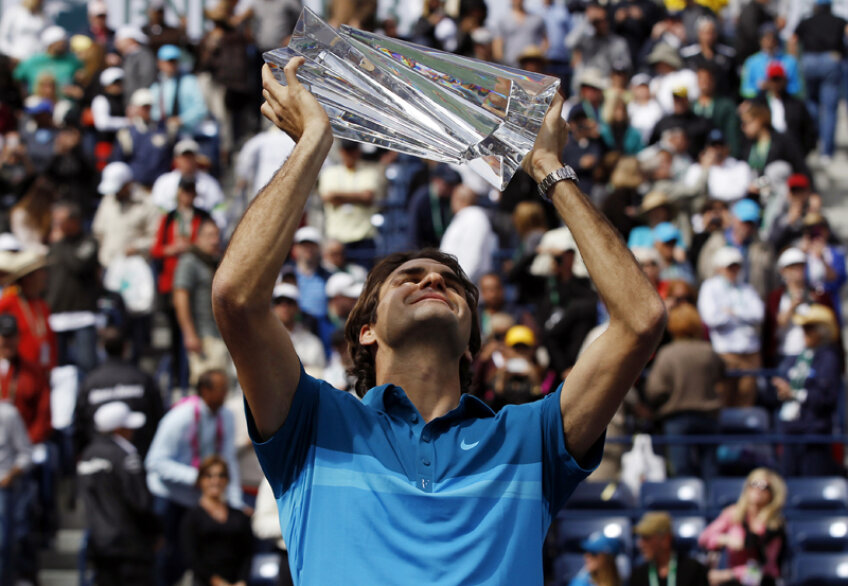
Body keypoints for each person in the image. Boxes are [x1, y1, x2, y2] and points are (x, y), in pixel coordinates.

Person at [210, 58, 665, 583]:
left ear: (471, 344)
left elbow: (640, 319)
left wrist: (547, 166)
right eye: (409, 277)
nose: (432, 280)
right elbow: (236, 298)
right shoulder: (311, 423)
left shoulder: (529, 439)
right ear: (367, 330)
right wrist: (314, 141)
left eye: (450, 283)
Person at [145, 368, 244, 586]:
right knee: (165, 555)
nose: (226, 394)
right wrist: (199, 477)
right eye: (221, 389)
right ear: (205, 391)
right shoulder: (180, 417)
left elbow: (227, 459)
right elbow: (154, 462)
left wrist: (234, 500)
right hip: (168, 495)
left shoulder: (225, 416)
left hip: (195, 497)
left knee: (188, 556)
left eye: (227, 388)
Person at [77, 401, 160, 585]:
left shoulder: (88, 454)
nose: (132, 432)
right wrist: (155, 532)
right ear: (119, 429)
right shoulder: (126, 455)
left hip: (100, 544)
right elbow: (140, 502)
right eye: (128, 427)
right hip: (131, 549)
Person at [645, 303, 722, 477]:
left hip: (677, 418)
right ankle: (711, 503)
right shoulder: (708, 351)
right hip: (708, 416)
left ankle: (685, 501)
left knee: (681, 470)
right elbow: (721, 374)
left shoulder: (667, 353)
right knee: (710, 470)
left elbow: (654, 390)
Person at [771, 304, 842, 476]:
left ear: (822, 331)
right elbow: (782, 383)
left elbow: (827, 398)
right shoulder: (797, 357)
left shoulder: (828, 359)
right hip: (790, 429)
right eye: (803, 328)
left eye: (809, 329)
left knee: (811, 479)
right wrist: (780, 390)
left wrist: (795, 394)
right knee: (787, 478)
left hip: (813, 432)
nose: (805, 333)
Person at [73, 327, 164, 458]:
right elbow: (158, 417)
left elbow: (79, 426)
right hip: (138, 456)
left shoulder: (89, 382)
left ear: (101, 347)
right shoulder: (142, 378)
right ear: (126, 347)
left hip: (103, 458)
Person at [697, 247, 764, 407]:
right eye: (729, 267)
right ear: (719, 268)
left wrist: (733, 312)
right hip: (725, 352)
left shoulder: (746, 288)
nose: (734, 270)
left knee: (746, 398)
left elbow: (759, 314)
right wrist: (743, 316)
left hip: (750, 351)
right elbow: (711, 318)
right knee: (723, 396)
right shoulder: (710, 287)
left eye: (736, 266)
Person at [699, 468, 787, 586]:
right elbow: (704, 538)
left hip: (761, 582)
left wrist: (729, 575)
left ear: (772, 494)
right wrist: (725, 539)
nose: (758, 489)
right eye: (754, 484)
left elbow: (767, 567)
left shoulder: (774, 525)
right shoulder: (733, 514)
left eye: (764, 486)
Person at [45, 201, 100, 374]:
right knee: (59, 368)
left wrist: (60, 244)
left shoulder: (89, 242)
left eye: (60, 221)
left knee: (87, 364)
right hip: (57, 315)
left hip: (82, 315)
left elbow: (78, 264)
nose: (57, 226)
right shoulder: (55, 246)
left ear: (75, 220)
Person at [180, 456, 252, 586]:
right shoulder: (192, 517)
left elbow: (247, 552)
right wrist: (217, 582)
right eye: (209, 476)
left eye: (221, 475)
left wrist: (242, 580)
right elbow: (191, 557)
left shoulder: (238, 516)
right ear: (200, 480)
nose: (216, 481)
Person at [173, 219, 228, 385]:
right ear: (198, 238)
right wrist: (190, 334)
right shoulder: (189, 261)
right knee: (208, 387)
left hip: (219, 335)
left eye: (217, 235)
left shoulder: (214, 262)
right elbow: (180, 297)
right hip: (203, 337)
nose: (215, 240)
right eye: (210, 235)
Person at [793, 0, 847, 162]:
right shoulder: (839, 20)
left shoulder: (806, 21)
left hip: (809, 62)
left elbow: (793, 39)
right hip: (830, 61)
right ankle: (826, 151)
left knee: (812, 104)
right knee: (829, 108)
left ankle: (813, 143)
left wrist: (796, 60)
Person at [91, 161, 161, 269]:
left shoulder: (147, 204)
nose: (115, 193)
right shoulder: (107, 200)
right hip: (107, 266)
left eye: (118, 189)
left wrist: (137, 247)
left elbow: (156, 237)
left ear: (128, 184)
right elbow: (98, 231)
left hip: (135, 269)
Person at [0, 249, 56, 375]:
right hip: (18, 376)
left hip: (42, 375)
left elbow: (50, 341)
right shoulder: (8, 303)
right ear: (28, 278)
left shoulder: (42, 306)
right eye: (41, 272)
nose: (45, 276)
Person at [0, 401, 33, 585]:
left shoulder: (8, 414)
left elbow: (26, 454)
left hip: (3, 487)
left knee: (2, 545)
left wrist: (10, 474)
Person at [631, 511, 709, 586]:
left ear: (666, 539)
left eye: (647, 538)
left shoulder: (693, 570)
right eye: (641, 538)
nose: (640, 544)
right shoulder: (639, 575)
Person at [440, 184, 497, 284]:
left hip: (466, 285)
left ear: (458, 199)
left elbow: (473, 257)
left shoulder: (474, 217)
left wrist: (460, 284)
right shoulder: (465, 217)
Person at [149, 44, 208, 135]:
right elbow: (153, 110)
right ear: (160, 63)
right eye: (169, 61)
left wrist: (181, 120)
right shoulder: (156, 85)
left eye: (175, 61)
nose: (172, 64)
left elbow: (201, 108)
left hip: (187, 132)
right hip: (162, 131)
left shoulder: (189, 81)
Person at [271, 283, 326, 377]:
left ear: (297, 307)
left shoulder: (312, 341)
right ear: (273, 307)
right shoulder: (263, 340)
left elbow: (320, 374)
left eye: (289, 302)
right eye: (279, 302)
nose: (284, 307)